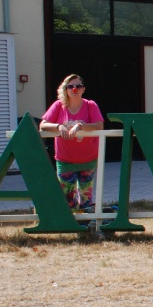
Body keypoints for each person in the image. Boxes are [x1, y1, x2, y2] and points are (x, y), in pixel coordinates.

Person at [39, 74, 105, 212]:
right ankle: (74, 224)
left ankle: (87, 225)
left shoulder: (90, 105)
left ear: (83, 89)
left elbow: (99, 125)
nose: (74, 89)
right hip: (65, 160)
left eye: (78, 86)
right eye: (71, 86)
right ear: (66, 89)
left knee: (86, 199)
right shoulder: (58, 105)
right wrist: (59, 127)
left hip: (88, 159)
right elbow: (43, 125)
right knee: (68, 199)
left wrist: (80, 125)